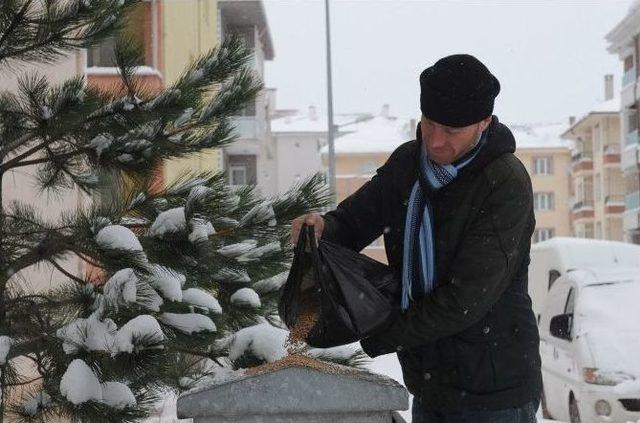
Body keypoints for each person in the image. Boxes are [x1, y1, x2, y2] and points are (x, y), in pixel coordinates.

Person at [290, 54, 541, 423]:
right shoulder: (408, 163)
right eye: (429, 123)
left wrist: (380, 331)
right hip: (430, 379)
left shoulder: (503, 182)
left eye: (452, 131)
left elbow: (465, 301)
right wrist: (323, 227)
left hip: (493, 388)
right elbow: (355, 220)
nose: (436, 142)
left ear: (483, 123)